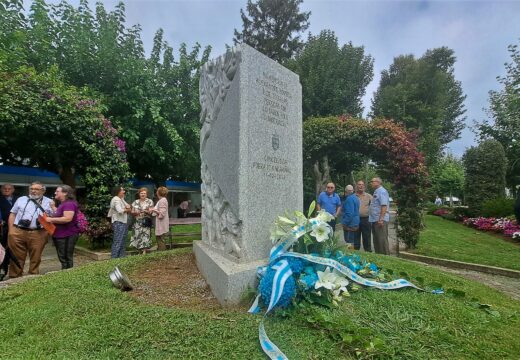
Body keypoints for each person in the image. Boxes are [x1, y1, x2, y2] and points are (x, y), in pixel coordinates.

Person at [7, 182, 54, 277]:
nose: (33, 191)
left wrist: (47, 233)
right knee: (16, 256)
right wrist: (11, 230)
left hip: (38, 232)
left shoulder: (49, 202)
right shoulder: (21, 199)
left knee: (36, 257)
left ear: (43, 190)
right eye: (31, 188)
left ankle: (32, 276)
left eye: (36, 189)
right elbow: (13, 214)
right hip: (18, 231)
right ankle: (15, 276)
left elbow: (53, 217)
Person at [46, 185, 80, 269]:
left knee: (65, 257)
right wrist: (53, 207)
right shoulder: (64, 203)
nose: (55, 193)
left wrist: (50, 219)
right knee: (63, 256)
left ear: (65, 193)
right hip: (62, 234)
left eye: (57, 191)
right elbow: (60, 213)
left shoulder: (69, 204)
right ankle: (66, 274)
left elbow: (67, 218)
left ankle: (67, 275)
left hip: (67, 234)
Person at [108, 186, 131, 258]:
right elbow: (120, 210)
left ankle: (121, 257)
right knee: (118, 241)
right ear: (118, 191)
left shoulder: (120, 199)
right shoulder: (116, 199)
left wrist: (126, 208)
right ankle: (114, 258)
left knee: (122, 241)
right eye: (122, 190)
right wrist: (127, 210)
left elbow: (128, 206)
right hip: (118, 222)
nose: (124, 191)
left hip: (123, 222)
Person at [369, 177, 390, 255]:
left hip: (380, 220)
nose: (371, 183)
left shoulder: (382, 191)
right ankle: (379, 256)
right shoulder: (376, 191)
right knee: (377, 240)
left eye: (372, 181)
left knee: (382, 240)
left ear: (377, 182)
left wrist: (381, 219)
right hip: (375, 220)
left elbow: (384, 206)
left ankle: (386, 257)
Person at [130, 187, 154, 254]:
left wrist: (145, 211)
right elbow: (132, 212)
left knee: (146, 235)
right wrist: (135, 212)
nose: (143, 194)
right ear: (139, 194)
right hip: (137, 222)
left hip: (146, 221)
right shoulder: (135, 202)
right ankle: (139, 249)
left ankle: (144, 250)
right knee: (138, 235)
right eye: (141, 193)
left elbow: (151, 212)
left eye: (144, 193)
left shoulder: (150, 201)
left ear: (146, 194)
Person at [354, 180, 373, 252]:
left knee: (367, 238)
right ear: (356, 186)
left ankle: (368, 253)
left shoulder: (369, 196)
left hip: (366, 220)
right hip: (355, 220)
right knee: (355, 238)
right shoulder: (353, 196)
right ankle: (355, 254)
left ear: (364, 186)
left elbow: (374, 207)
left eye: (362, 185)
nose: (361, 186)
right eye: (359, 184)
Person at [151, 186, 169, 251]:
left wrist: (154, 210)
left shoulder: (162, 200)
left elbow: (162, 214)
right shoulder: (162, 200)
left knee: (160, 240)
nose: (156, 192)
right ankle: (161, 252)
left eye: (157, 190)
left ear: (159, 192)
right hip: (160, 223)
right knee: (160, 239)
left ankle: (162, 254)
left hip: (161, 224)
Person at [0, 184, 18, 248]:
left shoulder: (19, 199)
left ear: (13, 190)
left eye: (9, 189)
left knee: (15, 245)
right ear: (1, 190)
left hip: (17, 226)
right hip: (3, 227)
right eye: (4, 188)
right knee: (3, 245)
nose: (7, 190)